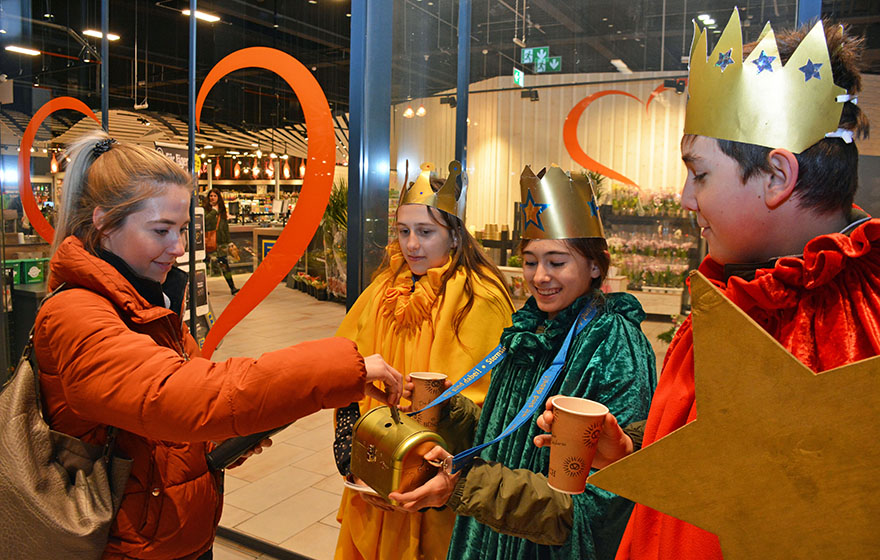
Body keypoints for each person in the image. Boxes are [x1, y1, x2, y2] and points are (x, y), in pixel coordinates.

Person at [537, 14, 877, 560]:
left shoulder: (856, 331)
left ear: (776, 177)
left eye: (700, 173)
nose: (685, 198)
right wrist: (629, 453)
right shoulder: (738, 294)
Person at [34, 131, 403, 560]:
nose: (177, 247)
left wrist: (215, 443)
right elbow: (176, 395)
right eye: (161, 230)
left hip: (165, 538)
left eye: (182, 229)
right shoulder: (76, 313)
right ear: (102, 221)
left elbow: (161, 422)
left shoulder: (148, 302)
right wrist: (343, 365)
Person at [389, 165, 657, 560]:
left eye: (557, 261)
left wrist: (466, 486)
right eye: (531, 262)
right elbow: (501, 436)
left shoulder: (614, 345)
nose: (540, 277)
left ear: (596, 266)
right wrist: (450, 409)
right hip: (494, 530)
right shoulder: (531, 331)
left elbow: (598, 498)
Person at [333, 162, 515, 560]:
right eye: (403, 231)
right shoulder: (383, 288)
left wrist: (417, 476)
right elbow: (347, 367)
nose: (411, 244)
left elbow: (481, 408)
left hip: (433, 491)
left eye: (425, 232)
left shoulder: (477, 299)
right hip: (371, 472)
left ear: (454, 236)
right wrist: (350, 449)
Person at [202, 187, 239, 295]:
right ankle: (204, 289)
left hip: (221, 243)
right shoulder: (205, 209)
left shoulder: (222, 210)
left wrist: (229, 241)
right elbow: (204, 222)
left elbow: (225, 227)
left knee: (225, 265)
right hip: (209, 242)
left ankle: (232, 287)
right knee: (206, 266)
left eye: (215, 196)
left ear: (218, 198)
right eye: (211, 196)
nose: (212, 198)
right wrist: (214, 211)